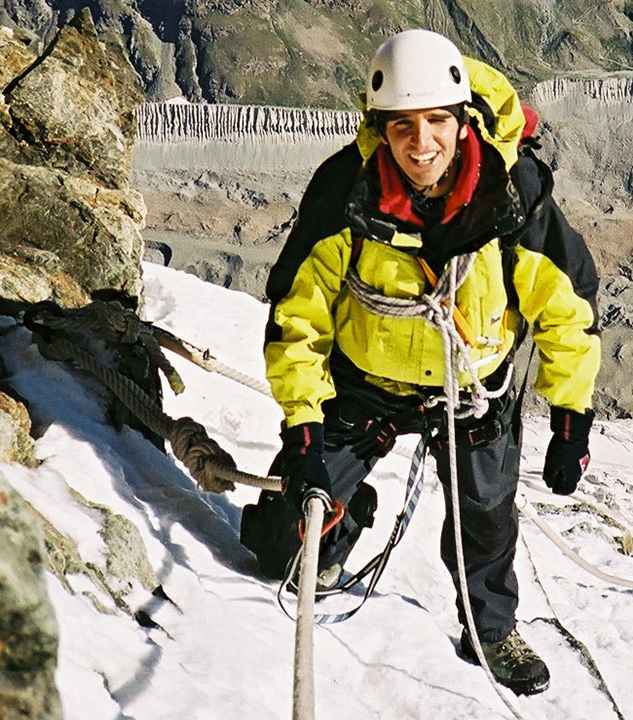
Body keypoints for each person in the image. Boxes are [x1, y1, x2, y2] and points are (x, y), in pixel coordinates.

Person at [240, 28, 601, 696]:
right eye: (403, 125)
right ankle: (346, 517)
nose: (422, 141)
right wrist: (304, 430)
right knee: (281, 543)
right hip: (366, 382)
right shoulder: (346, 192)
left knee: (486, 517)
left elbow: (565, 307)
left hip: (472, 390)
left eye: (437, 120)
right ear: (381, 128)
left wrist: (571, 418)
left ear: (463, 122)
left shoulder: (510, 194)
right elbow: (299, 315)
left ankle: (490, 631)